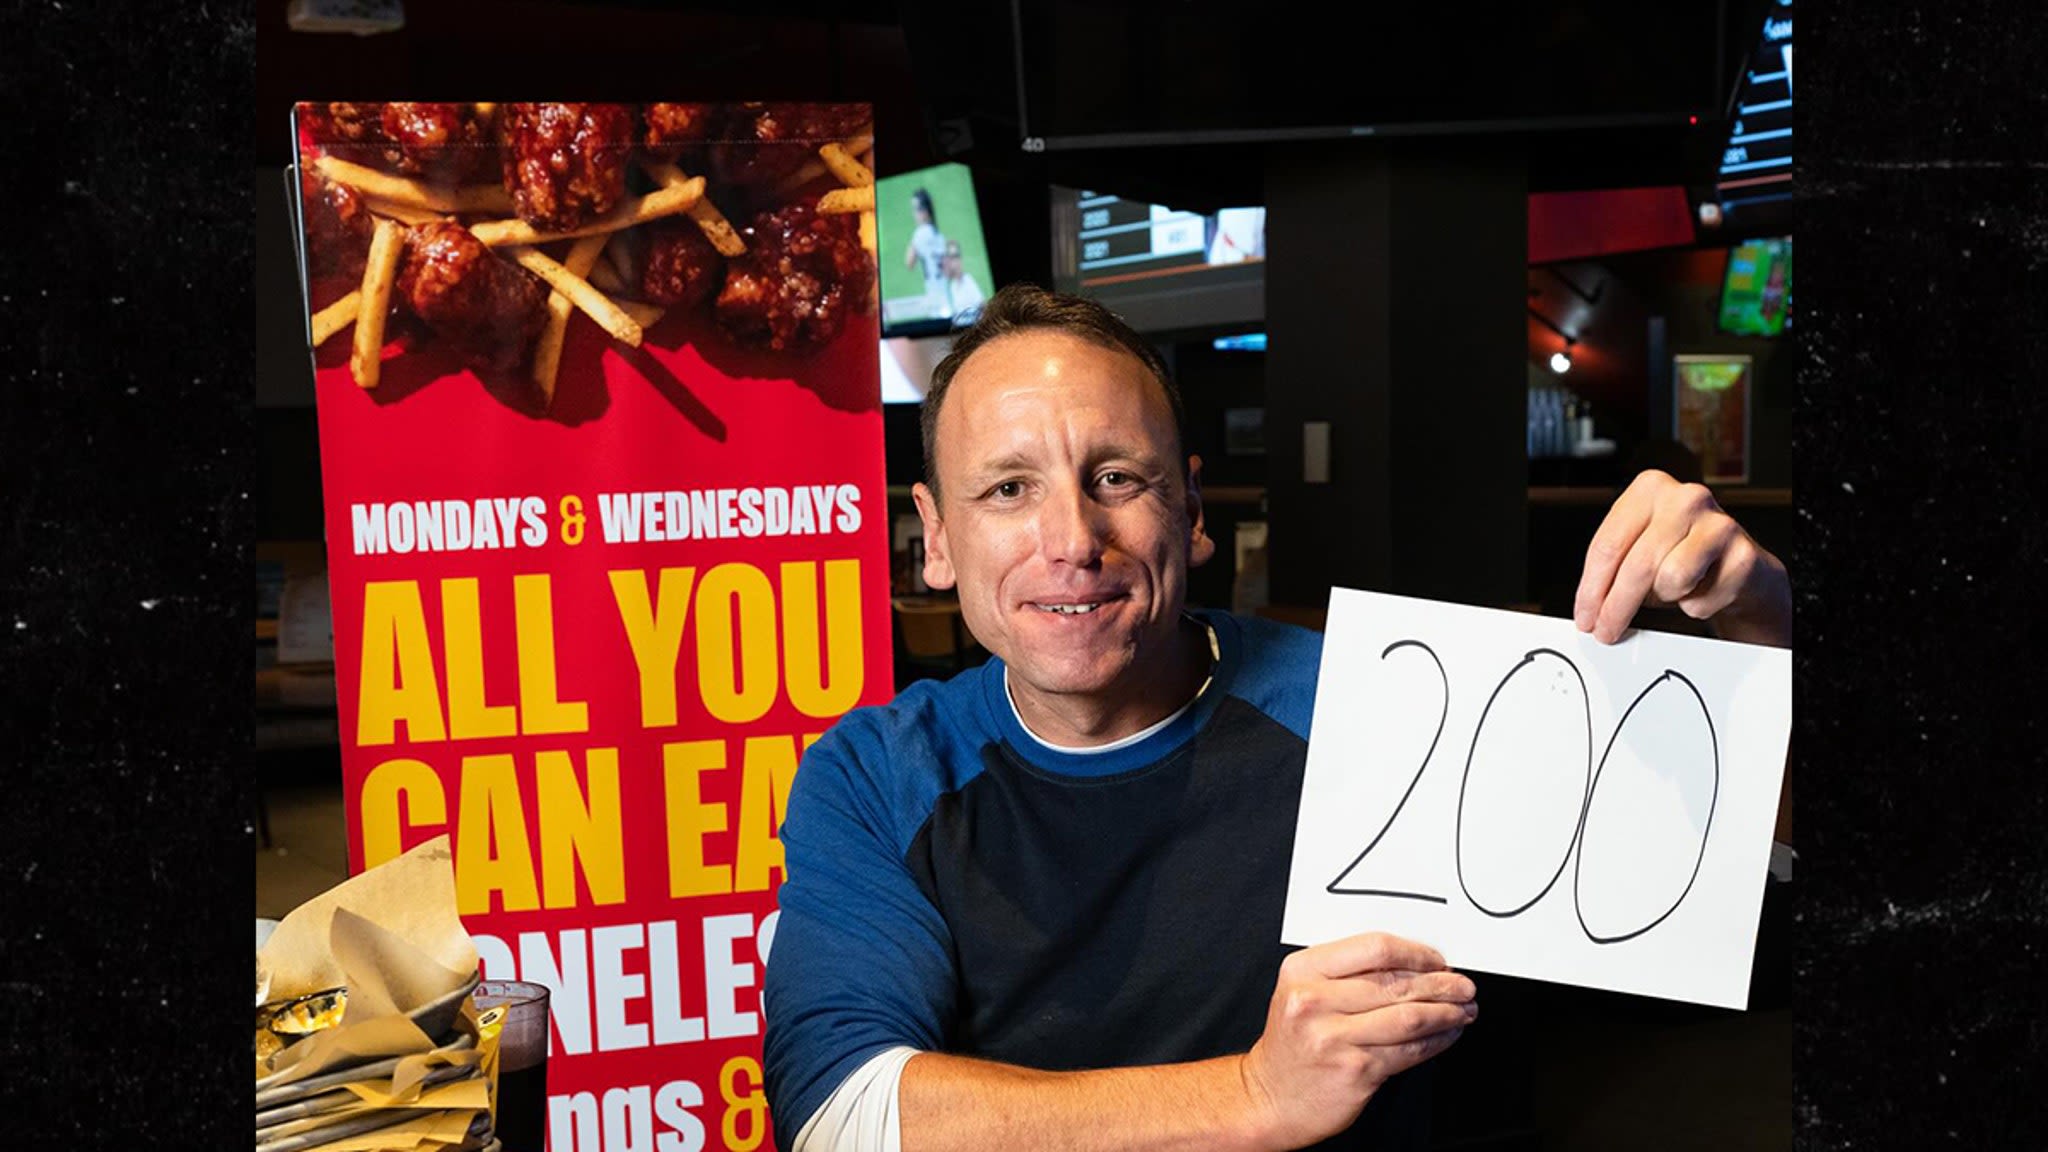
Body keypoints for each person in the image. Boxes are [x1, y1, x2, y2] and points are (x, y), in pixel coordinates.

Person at [763, 285, 1793, 1151]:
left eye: (1117, 478)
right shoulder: (876, 774)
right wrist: (1253, 1094)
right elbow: (844, 1112)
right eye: (1005, 489)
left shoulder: (1384, 707)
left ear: (1192, 512)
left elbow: (1757, 879)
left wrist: (1756, 637)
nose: (1070, 538)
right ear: (934, 538)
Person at [901, 188, 949, 319]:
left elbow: (909, 262)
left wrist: (914, 239)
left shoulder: (919, 234)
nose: (913, 214)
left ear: (924, 211)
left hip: (934, 299)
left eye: (915, 209)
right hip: (947, 297)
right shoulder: (939, 236)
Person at [938, 240, 986, 325]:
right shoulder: (951, 286)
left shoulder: (968, 281)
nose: (956, 262)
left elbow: (983, 306)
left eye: (956, 257)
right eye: (952, 257)